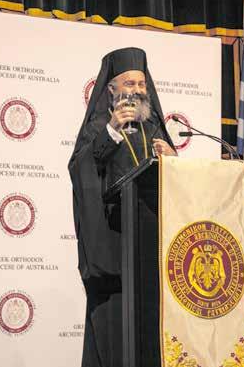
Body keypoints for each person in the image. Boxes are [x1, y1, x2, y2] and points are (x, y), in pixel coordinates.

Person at [68, 47, 176, 367]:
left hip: (151, 252)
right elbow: (81, 167)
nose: (137, 91)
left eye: (142, 84)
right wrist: (112, 130)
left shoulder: (154, 128)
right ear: (112, 90)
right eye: (129, 83)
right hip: (115, 253)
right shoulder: (100, 125)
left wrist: (171, 161)